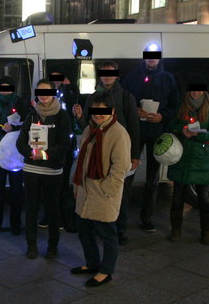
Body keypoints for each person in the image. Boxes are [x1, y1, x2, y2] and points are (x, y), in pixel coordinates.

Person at [73, 61, 140, 245]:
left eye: (111, 73)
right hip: (97, 154)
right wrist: (79, 117)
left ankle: (120, 230)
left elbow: (134, 126)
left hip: (119, 151)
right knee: (95, 192)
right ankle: (98, 225)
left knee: (120, 193)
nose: (107, 76)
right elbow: (88, 125)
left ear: (117, 76)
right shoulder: (93, 97)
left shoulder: (126, 96)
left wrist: (135, 155)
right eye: (104, 73)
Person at [72, 91, 131, 287]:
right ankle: (92, 263)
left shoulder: (118, 133)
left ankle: (106, 271)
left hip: (103, 193)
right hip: (86, 191)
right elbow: (82, 159)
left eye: (102, 110)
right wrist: (78, 184)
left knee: (107, 233)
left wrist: (106, 189)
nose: (98, 113)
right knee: (84, 230)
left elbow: (121, 166)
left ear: (112, 110)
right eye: (94, 109)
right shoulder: (90, 130)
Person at [121, 51, 179, 232]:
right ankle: (121, 219)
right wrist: (134, 110)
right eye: (149, 55)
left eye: (155, 56)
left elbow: (175, 106)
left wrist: (162, 116)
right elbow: (123, 100)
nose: (152, 59)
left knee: (152, 180)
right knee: (127, 176)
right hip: (134, 133)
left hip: (157, 134)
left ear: (159, 58)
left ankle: (146, 218)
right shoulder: (133, 77)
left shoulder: (168, 78)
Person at [16, 79, 71, 259]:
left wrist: (45, 155)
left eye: (47, 92)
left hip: (52, 171)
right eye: (40, 92)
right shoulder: (32, 114)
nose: (44, 95)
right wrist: (30, 153)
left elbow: (64, 144)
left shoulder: (62, 115)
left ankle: (52, 246)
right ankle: (31, 245)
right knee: (31, 209)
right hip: (31, 169)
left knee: (52, 209)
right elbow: (20, 142)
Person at [166, 80, 209, 245]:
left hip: (201, 156)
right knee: (177, 196)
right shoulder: (182, 103)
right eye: (192, 90)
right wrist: (181, 129)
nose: (195, 93)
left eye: (198, 90)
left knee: (204, 197)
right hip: (181, 154)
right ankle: (176, 230)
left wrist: (198, 135)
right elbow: (172, 124)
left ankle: (206, 231)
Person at [0, 76, 30, 235]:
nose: (5, 91)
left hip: (16, 152)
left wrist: (15, 128)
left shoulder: (20, 102)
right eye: (2, 88)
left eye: (8, 88)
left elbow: (28, 126)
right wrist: (0, 129)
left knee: (17, 190)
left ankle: (16, 224)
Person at [37, 69, 79, 231]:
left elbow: (75, 98)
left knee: (61, 185)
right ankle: (49, 216)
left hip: (64, 150)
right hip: (45, 150)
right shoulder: (41, 102)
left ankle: (61, 218)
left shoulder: (67, 95)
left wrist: (68, 87)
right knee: (47, 185)